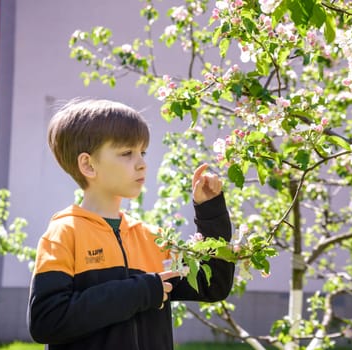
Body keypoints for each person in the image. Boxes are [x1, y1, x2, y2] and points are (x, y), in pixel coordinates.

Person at [27, 98, 235, 350]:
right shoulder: (63, 234)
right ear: (88, 165)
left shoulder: (151, 237)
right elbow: (46, 321)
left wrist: (210, 212)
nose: (141, 163)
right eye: (127, 153)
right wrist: (144, 291)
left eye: (142, 152)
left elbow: (212, 285)